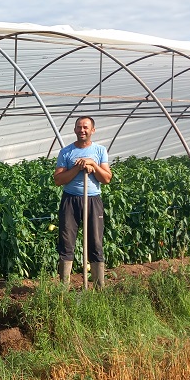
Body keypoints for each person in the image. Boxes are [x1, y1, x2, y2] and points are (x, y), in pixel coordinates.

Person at [53, 116, 113, 288]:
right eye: (79, 127)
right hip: (70, 199)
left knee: (95, 241)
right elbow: (58, 179)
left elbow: (107, 178)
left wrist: (93, 165)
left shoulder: (100, 151)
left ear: (92, 130)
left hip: (93, 199)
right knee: (66, 241)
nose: (82, 130)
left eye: (85, 127)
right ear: (74, 130)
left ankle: (99, 288)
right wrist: (77, 168)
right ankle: (64, 288)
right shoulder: (66, 152)